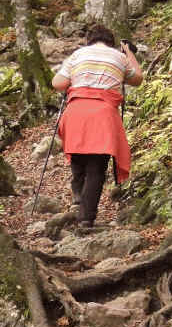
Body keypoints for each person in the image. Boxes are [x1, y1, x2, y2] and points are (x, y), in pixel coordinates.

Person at [52, 24, 143, 228]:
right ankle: (86, 218)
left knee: (78, 155)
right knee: (96, 168)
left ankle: (78, 198)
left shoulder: (78, 54)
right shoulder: (118, 57)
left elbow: (57, 83)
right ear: (111, 42)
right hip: (103, 115)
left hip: (76, 113)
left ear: (89, 40)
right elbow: (137, 79)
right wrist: (128, 53)